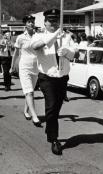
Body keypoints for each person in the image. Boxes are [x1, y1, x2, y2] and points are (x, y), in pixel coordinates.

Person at [31, 9, 76, 156]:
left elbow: (74, 54)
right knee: (51, 107)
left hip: (62, 77)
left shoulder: (67, 36)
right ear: (44, 22)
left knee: (56, 108)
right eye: (50, 20)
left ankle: (50, 126)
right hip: (47, 78)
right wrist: (55, 35)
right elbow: (36, 46)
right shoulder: (39, 35)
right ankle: (54, 139)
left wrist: (67, 53)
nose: (53, 23)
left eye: (56, 20)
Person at [10, 15, 41, 126]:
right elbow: (15, 54)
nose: (31, 23)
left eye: (32, 21)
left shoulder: (38, 36)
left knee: (30, 90)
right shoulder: (20, 38)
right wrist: (12, 66)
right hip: (24, 67)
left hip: (36, 67)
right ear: (25, 24)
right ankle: (35, 116)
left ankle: (25, 111)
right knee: (29, 92)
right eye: (29, 22)